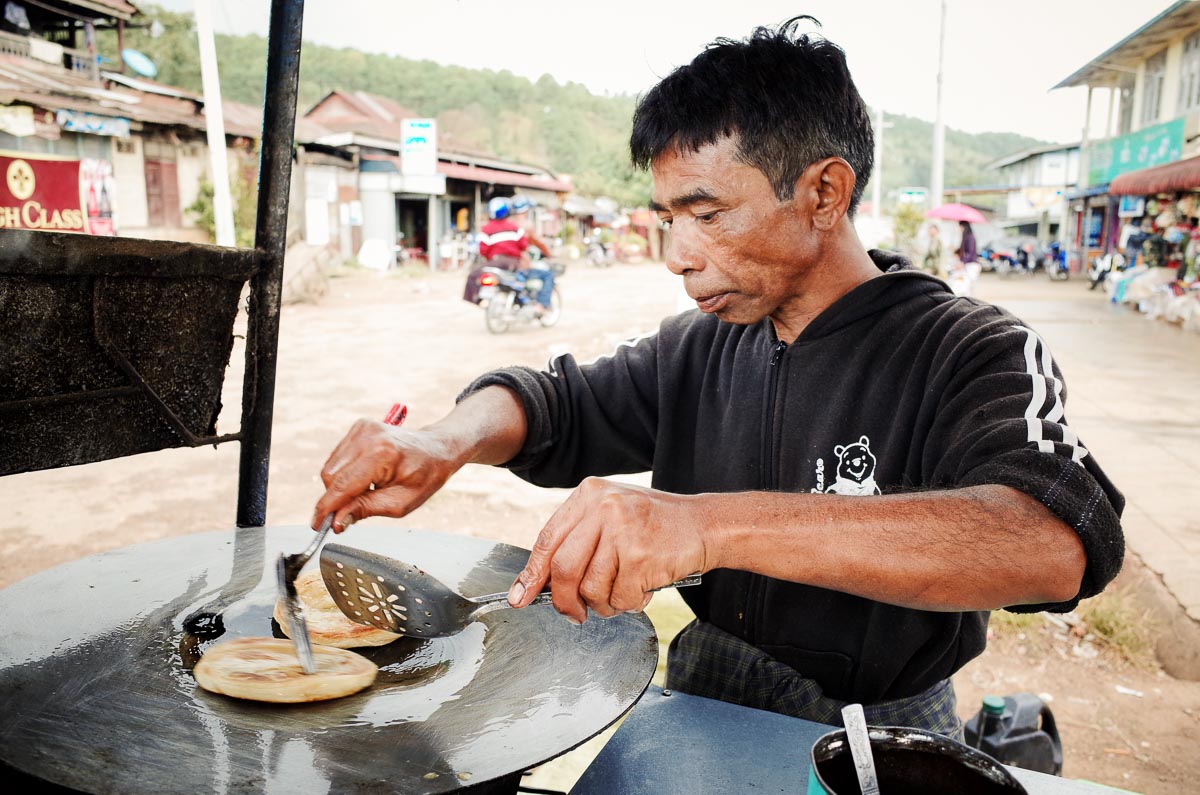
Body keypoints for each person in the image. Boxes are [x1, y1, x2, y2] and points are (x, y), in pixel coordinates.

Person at [314, 17, 1123, 739]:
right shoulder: (698, 347)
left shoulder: (969, 348)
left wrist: (706, 526)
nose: (678, 255)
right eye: (669, 218)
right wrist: (443, 441)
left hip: (878, 723)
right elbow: (554, 402)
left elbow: (1050, 541)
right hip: (704, 687)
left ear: (824, 193)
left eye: (707, 215)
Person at [509, 194, 556, 311]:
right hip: (521, 265)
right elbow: (539, 242)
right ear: (526, 210)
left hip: (506, 263)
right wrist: (549, 253)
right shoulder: (526, 225)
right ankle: (541, 305)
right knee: (548, 275)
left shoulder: (507, 223)